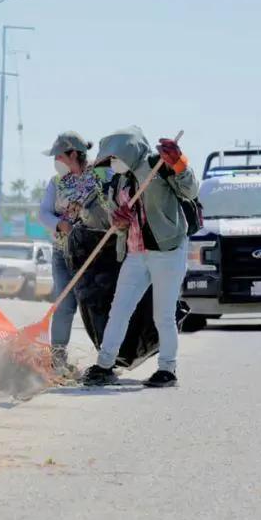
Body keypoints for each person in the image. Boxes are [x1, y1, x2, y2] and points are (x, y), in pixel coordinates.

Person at [81, 126, 198, 388]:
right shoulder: (119, 180)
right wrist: (117, 220)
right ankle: (104, 365)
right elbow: (116, 217)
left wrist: (179, 162)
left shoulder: (159, 166)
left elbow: (190, 191)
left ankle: (168, 370)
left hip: (167, 251)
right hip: (136, 253)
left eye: (114, 157)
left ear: (128, 151)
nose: (112, 163)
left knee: (164, 315)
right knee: (119, 310)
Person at [37, 131, 102, 372]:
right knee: (64, 306)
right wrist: (58, 224)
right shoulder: (56, 183)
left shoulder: (99, 176)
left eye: (59, 156)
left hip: (92, 255)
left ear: (73, 154)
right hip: (62, 253)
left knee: (95, 306)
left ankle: (105, 359)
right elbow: (43, 213)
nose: (56, 161)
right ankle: (58, 357)